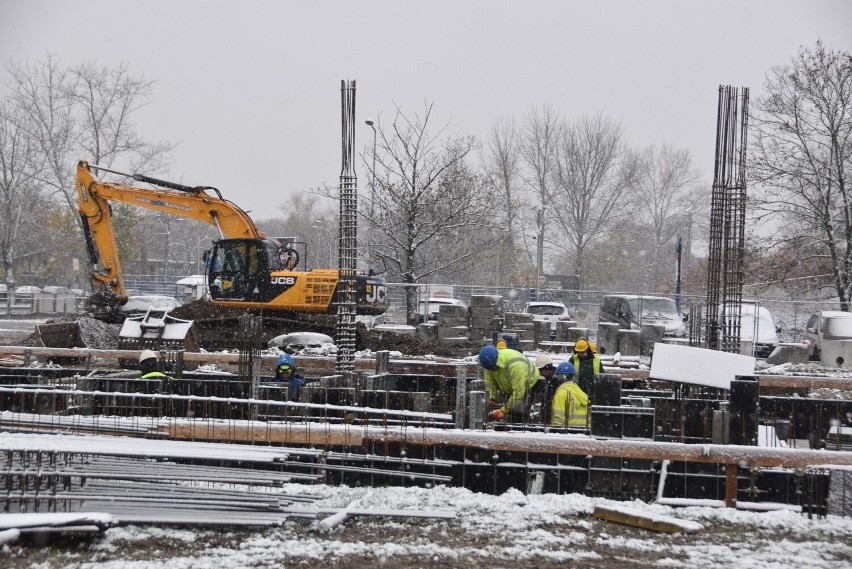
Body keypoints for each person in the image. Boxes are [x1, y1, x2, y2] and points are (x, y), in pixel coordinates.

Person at [479, 345, 539, 422]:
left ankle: (519, 426)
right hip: (508, 383)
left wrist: (503, 410)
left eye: (494, 368)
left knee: (519, 414)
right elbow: (490, 382)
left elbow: (519, 392)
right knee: (510, 410)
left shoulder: (514, 365)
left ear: (497, 361)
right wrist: (492, 398)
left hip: (527, 383)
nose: (493, 370)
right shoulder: (488, 364)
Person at [550, 361, 589, 429]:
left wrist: (555, 432)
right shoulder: (582, 393)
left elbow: (558, 420)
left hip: (568, 433)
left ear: (560, 377)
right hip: (583, 433)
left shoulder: (561, 394)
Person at [571, 339, 603, 404]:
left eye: (582, 352)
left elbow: (602, 376)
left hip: (592, 393)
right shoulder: (573, 359)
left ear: (587, 350)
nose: (580, 354)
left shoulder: (596, 360)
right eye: (578, 352)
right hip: (576, 393)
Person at [534, 353, 559, 424]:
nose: (540, 374)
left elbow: (550, 402)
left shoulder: (555, 381)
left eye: (541, 371)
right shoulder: (549, 380)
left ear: (547, 368)